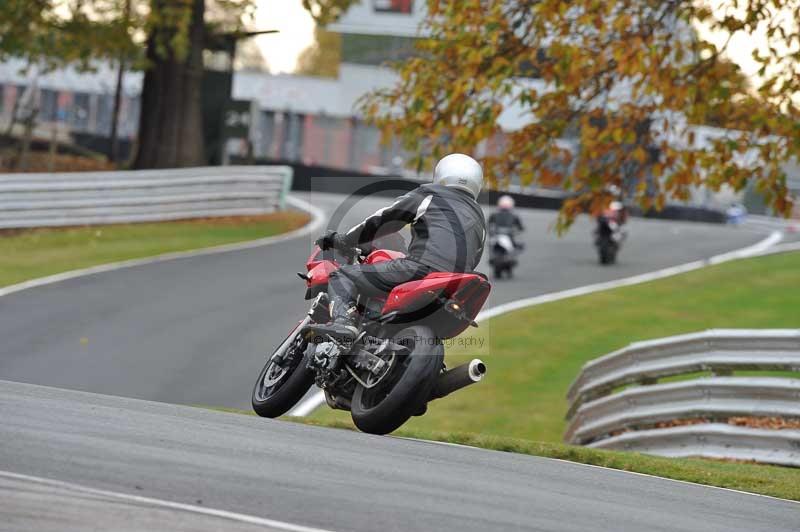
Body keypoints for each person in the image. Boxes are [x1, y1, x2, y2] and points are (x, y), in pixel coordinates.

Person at [310, 153, 486, 342]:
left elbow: (384, 219)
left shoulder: (430, 195)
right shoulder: (480, 219)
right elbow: (474, 258)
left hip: (419, 271)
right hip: (455, 285)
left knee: (341, 276)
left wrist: (344, 240)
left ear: (442, 175)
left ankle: (343, 323)